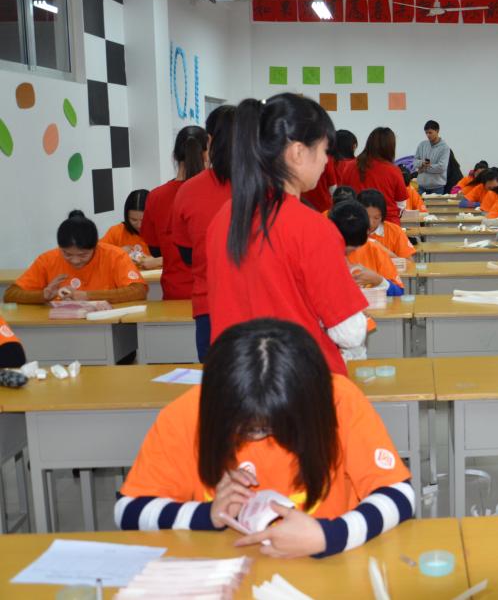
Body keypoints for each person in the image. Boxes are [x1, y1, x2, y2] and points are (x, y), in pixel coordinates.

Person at [114, 319, 414, 558]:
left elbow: (399, 495)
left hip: (327, 567)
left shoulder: (338, 399)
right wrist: (207, 515)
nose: (259, 437)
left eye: (272, 427)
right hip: (225, 568)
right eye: (247, 428)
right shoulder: (187, 412)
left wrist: (328, 536)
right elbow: (127, 511)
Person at [206, 94, 369, 375]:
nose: (325, 162)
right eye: (324, 151)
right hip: (297, 378)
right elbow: (350, 333)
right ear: (297, 152)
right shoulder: (312, 227)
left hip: (234, 377)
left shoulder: (224, 217)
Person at [172, 105, 236, 360]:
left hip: (209, 305)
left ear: (209, 141)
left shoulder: (188, 191)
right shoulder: (269, 187)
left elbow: (187, 255)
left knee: (215, 379)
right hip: (262, 305)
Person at [4, 210, 147, 304]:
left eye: (83, 255)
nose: (75, 260)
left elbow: (138, 290)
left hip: (104, 327)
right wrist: (43, 296)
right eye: (67, 254)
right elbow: (10, 294)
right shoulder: (47, 259)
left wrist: (87, 296)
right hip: (60, 327)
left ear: (95, 246)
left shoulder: (114, 256)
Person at [142, 125, 207, 300]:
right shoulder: (218, 192)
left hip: (175, 291)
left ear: (175, 156)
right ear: (206, 154)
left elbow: (155, 250)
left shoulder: (155, 197)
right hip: (212, 293)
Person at [330, 201, 404, 297]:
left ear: (367, 232)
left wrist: (379, 280)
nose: (346, 254)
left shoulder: (374, 250)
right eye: (342, 247)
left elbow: (399, 292)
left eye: (354, 248)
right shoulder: (318, 253)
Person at [337, 127, 407, 225]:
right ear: (391, 147)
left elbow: (343, 196)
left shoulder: (349, 166)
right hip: (387, 224)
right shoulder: (393, 170)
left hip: (356, 224)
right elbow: (401, 204)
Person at [101, 189, 161, 270]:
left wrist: (158, 261)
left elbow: (177, 258)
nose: (139, 225)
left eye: (143, 220)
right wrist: (118, 252)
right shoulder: (117, 232)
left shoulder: (164, 231)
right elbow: (96, 255)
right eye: (133, 220)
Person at [304, 129, 357, 212]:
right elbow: (334, 189)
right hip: (329, 208)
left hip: (307, 206)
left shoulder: (311, 159)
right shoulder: (352, 164)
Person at [357, 189, 415, 259]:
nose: (370, 223)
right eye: (366, 217)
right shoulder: (350, 231)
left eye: (376, 218)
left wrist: (381, 249)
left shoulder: (395, 232)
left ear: (383, 216)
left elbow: (409, 262)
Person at [413, 120, 451, 195]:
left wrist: (424, 168)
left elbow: (441, 167)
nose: (428, 135)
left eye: (430, 132)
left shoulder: (445, 148)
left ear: (437, 131)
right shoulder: (422, 145)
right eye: (426, 133)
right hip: (422, 187)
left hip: (437, 187)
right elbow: (414, 162)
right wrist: (421, 163)